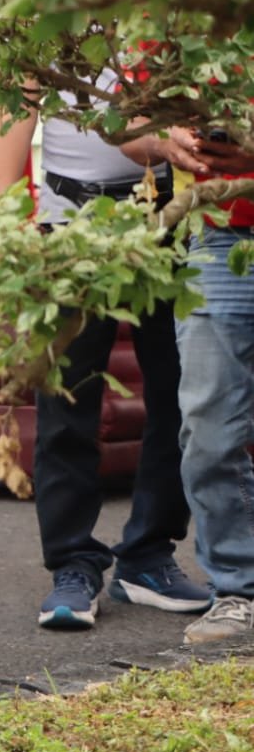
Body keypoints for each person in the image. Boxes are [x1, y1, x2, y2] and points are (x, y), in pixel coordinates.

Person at [0, 91, 209, 629]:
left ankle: (149, 555)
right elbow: (14, 105)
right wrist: (7, 208)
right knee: (67, 396)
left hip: (167, 215)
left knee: (179, 392)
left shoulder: (168, 9)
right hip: (70, 221)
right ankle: (72, 563)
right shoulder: (43, 8)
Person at [140, 127, 254, 644]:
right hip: (217, 232)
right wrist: (166, 141)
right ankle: (239, 590)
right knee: (208, 426)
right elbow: (125, 126)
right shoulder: (167, 44)